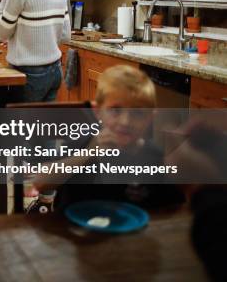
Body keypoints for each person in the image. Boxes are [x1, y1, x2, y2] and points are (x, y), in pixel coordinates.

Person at [31, 65, 184, 212]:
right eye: (115, 110)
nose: (125, 121)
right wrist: (89, 153)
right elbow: (41, 182)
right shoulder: (84, 142)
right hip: (75, 232)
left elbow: (173, 208)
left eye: (137, 113)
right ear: (98, 112)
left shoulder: (156, 157)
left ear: (150, 117)